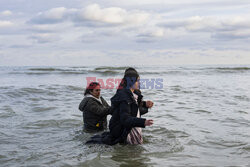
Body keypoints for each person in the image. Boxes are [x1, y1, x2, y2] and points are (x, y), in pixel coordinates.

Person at [86, 68, 154, 145]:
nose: (140, 83)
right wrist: (143, 122)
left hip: (122, 127)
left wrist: (145, 105)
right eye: (137, 81)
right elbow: (125, 118)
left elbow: (134, 111)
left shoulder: (132, 95)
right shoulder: (124, 96)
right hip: (120, 129)